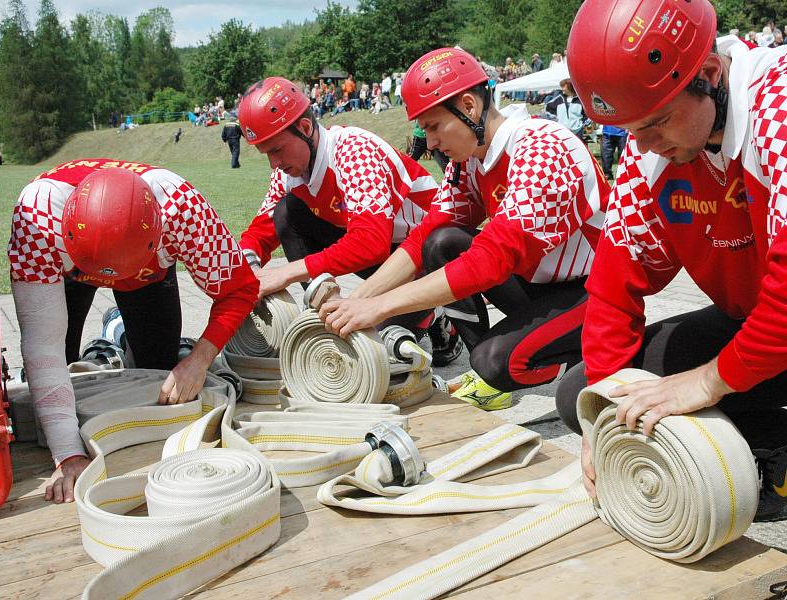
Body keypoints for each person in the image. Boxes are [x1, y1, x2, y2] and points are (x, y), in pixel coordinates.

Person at [557, 0, 787, 522]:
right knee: (592, 398)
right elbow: (614, 286)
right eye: (630, 129)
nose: (643, 145)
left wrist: (706, 382)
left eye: (656, 122)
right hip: (761, 322)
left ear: (709, 74)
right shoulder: (654, 147)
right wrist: (603, 430)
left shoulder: (779, 105)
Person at [318, 48, 609, 411]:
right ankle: (493, 376)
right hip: (539, 285)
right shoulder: (470, 158)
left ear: (469, 107)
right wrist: (357, 300)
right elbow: (425, 236)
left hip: (594, 292)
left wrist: (378, 308)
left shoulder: (542, 147)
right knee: (442, 242)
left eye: (433, 126)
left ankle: (596, 352)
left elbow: (489, 261)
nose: (431, 142)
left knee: (495, 362)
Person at [8, 159, 259, 503]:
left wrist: (200, 360)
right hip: (71, 271)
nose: (113, 283)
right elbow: (41, 348)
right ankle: (112, 332)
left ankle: (120, 331)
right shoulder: (36, 219)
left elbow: (240, 289)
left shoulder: (181, 209)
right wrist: (68, 455)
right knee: (58, 378)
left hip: (145, 276)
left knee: (161, 376)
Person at [236, 78, 462, 363]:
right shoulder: (289, 171)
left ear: (305, 128)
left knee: (378, 348)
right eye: (266, 154)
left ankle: (433, 316)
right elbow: (262, 228)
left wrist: (289, 272)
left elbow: (370, 245)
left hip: (423, 254)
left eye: (276, 150)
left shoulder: (355, 151)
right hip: (387, 250)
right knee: (286, 211)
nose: (274, 163)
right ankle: (325, 312)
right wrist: (247, 270)